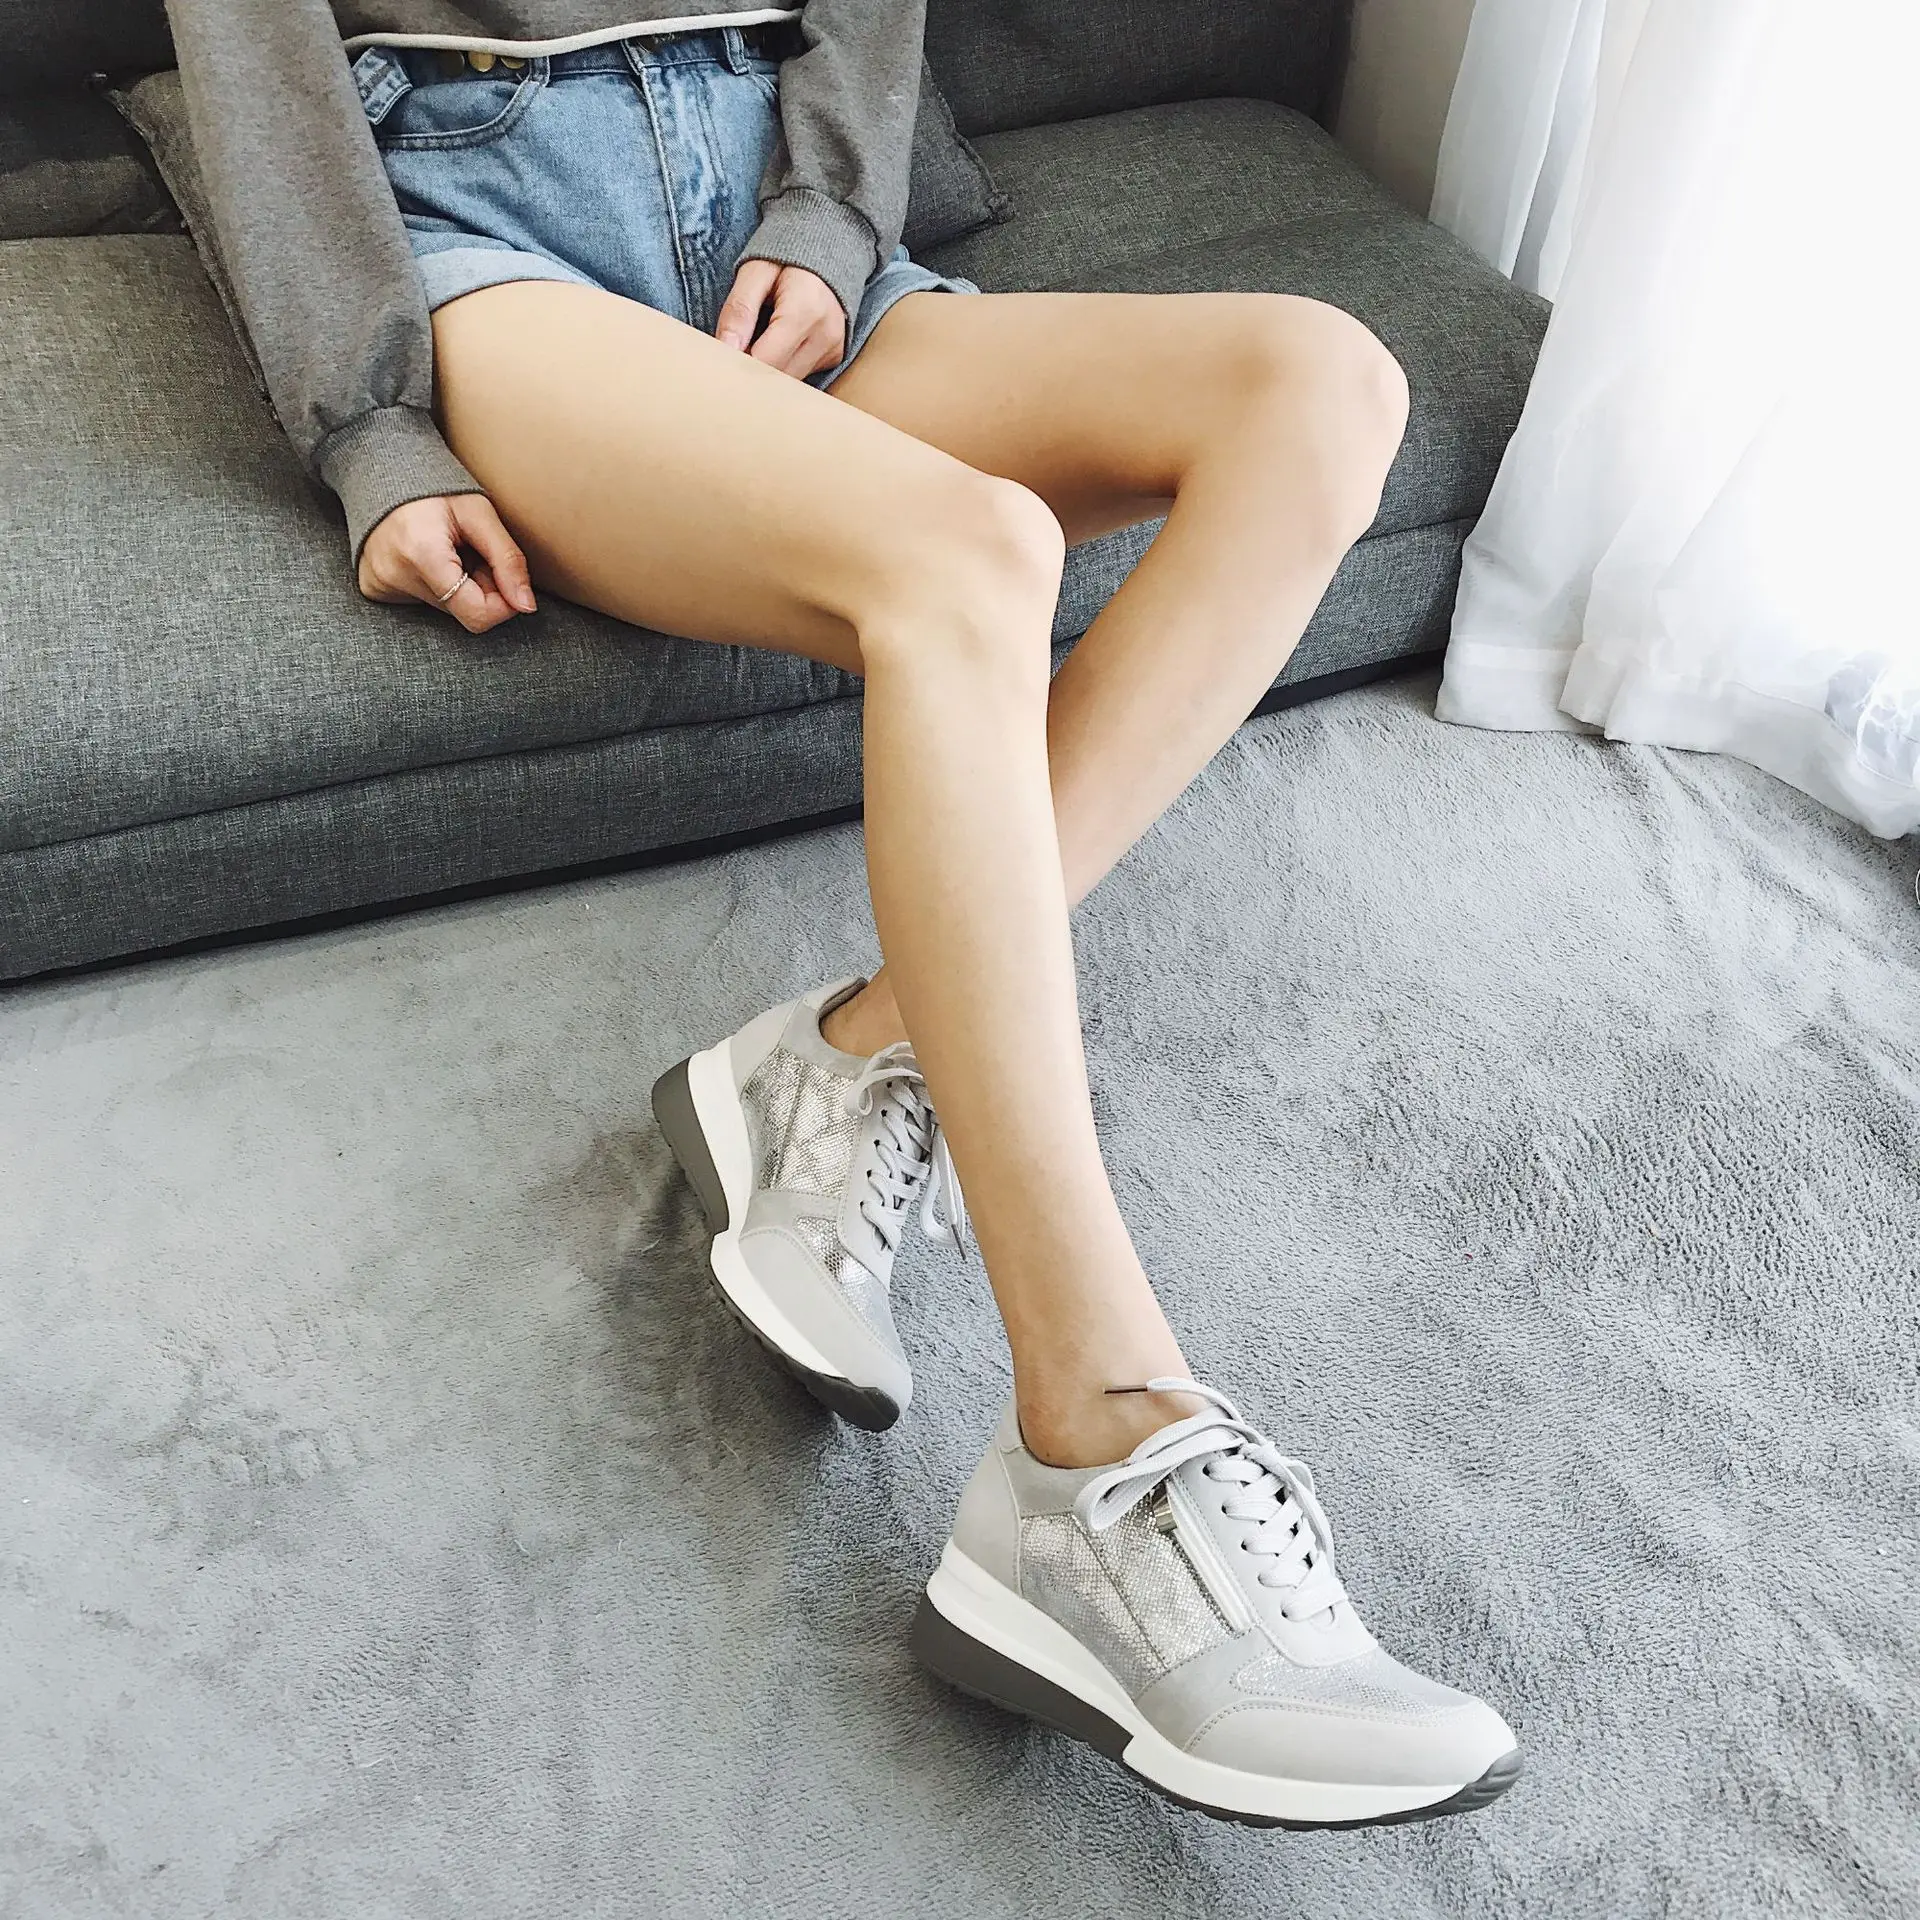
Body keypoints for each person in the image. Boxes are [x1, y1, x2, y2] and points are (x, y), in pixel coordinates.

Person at [168, 0, 1520, 1828]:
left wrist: (825, 214)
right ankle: (1091, 1435)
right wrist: (373, 433)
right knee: (978, 554)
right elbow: (251, 50)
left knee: (1325, 386)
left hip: (771, 216)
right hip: (491, 233)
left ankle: (857, 1051)